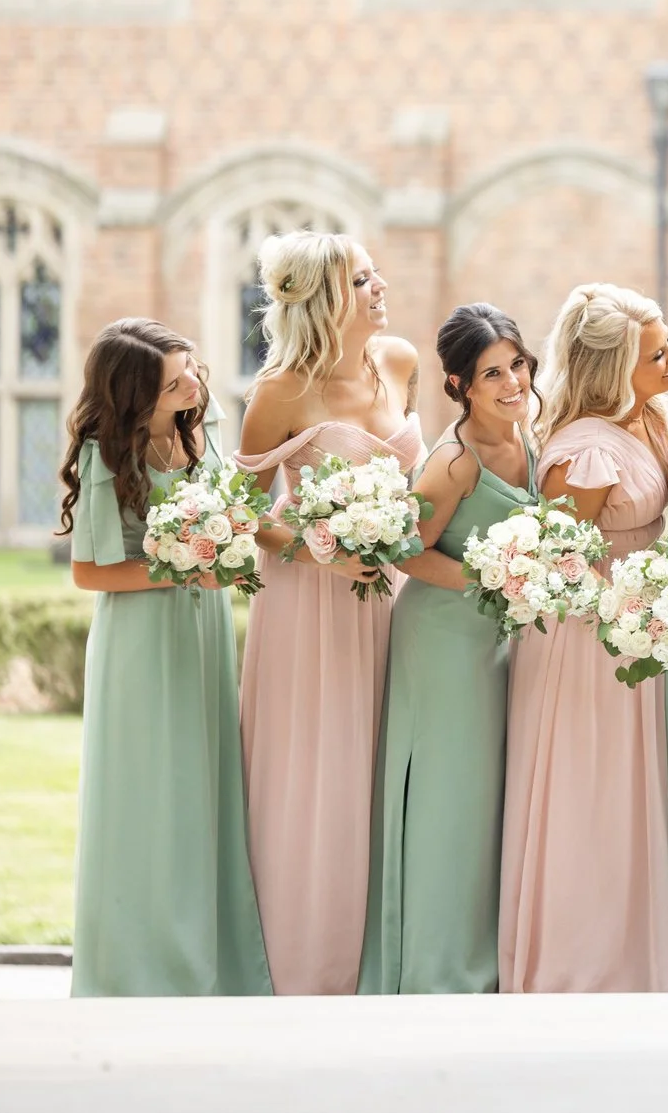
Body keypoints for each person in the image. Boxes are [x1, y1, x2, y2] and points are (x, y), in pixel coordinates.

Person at [232, 232, 423, 994]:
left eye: (377, 274)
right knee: (316, 773)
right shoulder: (278, 391)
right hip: (307, 608)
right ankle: (304, 963)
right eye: (362, 279)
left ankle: (382, 960)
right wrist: (322, 547)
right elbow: (242, 515)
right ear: (323, 298)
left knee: (384, 764)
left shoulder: (401, 361)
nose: (380, 287)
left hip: (390, 600)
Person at [61, 319, 271, 998]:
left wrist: (228, 557)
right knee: (144, 794)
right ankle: (132, 964)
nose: (191, 384)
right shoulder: (103, 454)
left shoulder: (193, 436)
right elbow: (91, 573)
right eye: (173, 380)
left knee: (200, 787)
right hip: (140, 640)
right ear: (133, 393)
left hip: (201, 629)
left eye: (191, 370)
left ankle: (204, 955)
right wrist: (181, 567)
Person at [498, 283, 668, 993]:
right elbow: (560, 565)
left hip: (635, 630)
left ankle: (629, 956)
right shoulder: (582, 454)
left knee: (626, 795)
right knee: (587, 792)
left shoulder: (651, 421)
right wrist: (637, 603)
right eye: (657, 353)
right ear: (615, 370)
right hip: (584, 640)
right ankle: (577, 965)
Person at [360, 304, 536, 994]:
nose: (512, 380)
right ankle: (436, 968)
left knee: (486, 799)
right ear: (459, 385)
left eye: (517, 364)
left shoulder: (529, 440)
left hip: (494, 638)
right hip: (441, 641)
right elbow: (404, 550)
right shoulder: (455, 462)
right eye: (492, 372)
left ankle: (480, 956)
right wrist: (492, 577)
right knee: (446, 799)